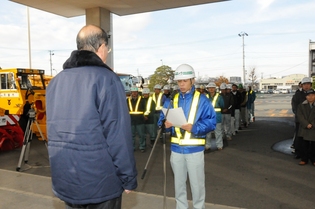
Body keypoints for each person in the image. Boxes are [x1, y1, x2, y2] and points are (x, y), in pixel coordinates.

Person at [46, 25, 137, 209]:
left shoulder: (56, 82)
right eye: (107, 49)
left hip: (66, 178)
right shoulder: (107, 79)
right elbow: (117, 134)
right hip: (100, 181)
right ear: (101, 47)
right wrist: (128, 177)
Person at [158, 64, 216, 209]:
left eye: (185, 81)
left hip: (194, 151)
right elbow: (161, 118)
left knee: (197, 187)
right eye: (179, 81)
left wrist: (194, 128)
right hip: (176, 150)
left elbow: (211, 122)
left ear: (192, 80)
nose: (181, 84)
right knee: (179, 186)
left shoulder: (202, 100)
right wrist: (164, 123)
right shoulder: (171, 99)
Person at [291, 77, 313, 158]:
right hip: (300, 120)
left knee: (311, 137)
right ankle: (299, 152)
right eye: (305, 84)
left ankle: (311, 154)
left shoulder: (313, 94)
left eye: (308, 84)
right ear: (302, 85)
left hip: (312, 120)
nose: (306, 86)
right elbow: (295, 108)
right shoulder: (297, 95)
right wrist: (301, 119)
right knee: (299, 136)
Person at [296, 89, 315, 165]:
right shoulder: (301, 105)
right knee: (304, 145)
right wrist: (306, 124)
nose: (310, 97)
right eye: (308, 95)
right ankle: (304, 159)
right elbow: (299, 116)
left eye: (312, 95)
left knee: (314, 145)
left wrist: (312, 124)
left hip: (314, 128)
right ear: (306, 97)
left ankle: (314, 159)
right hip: (304, 127)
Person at [205, 82, 224, 151]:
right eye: (210, 88)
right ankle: (207, 145)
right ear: (208, 89)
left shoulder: (219, 96)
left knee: (218, 132)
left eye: (213, 88)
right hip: (208, 117)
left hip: (217, 117)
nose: (211, 89)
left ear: (215, 89)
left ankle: (219, 145)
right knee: (208, 133)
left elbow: (222, 105)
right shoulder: (205, 97)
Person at [127, 86, 146, 152]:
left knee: (141, 134)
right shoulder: (127, 100)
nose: (134, 93)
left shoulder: (142, 99)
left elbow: (146, 109)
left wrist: (145, 115)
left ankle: (142, 147)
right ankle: (132, 147)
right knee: (131, 135)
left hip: (140, 119)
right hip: (131, 120)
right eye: (133, 92)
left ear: (137, 92)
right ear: (131, 93)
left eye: (135, 92)